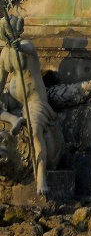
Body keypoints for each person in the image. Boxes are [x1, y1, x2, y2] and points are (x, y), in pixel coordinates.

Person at [0, 15, 64, 195]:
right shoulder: (4, 54)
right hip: (14, 100)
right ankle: (14, 120)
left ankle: (41, 178)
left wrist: (17, 45)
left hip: (34, 100)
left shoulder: (27, 47)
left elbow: (26, 47)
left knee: (35, 131)